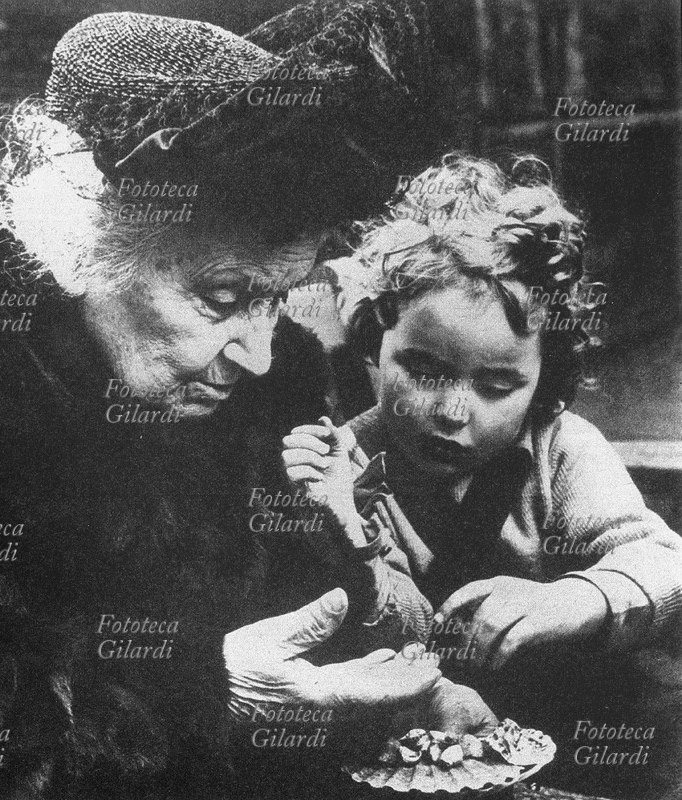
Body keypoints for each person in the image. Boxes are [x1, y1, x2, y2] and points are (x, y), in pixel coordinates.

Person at [0, 4, 471, 799]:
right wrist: (202, 695)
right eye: (222, 296)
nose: (260, 354)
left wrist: (403, 693)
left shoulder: (272, 389)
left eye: (277, 298)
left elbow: (308, 631)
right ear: (82, 247)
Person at [283, 154, 682, 798]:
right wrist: (352, 547)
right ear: (369, 342)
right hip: (419, 754)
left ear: (545, 381)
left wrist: (571, 599)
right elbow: (395, 635)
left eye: (497, 385)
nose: (451, 412)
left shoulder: (562, 450)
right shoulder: (344, 468)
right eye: (420, 369)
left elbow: (665, 565)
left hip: (585, 743)